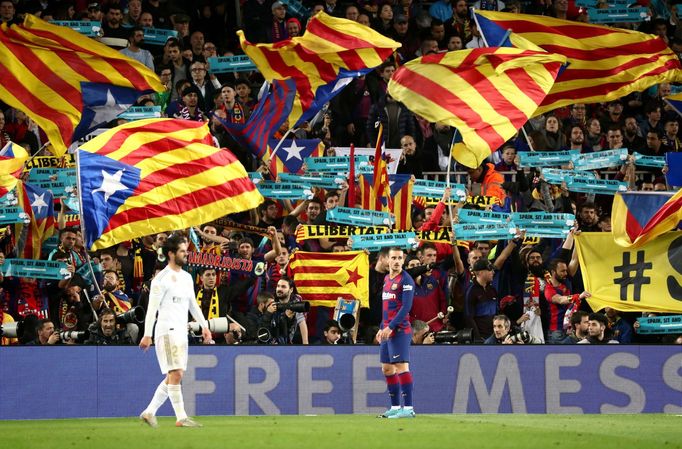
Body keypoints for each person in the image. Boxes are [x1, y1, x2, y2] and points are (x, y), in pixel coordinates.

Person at [138, 234, 213, 428]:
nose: (186, 254)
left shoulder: (187, 277)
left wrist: (204, 325)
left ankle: (149, 412)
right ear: (171, 254)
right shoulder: (160, 280)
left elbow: (192, 305)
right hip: (166, 330)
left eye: (185, 250)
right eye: (182, 251)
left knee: (173, 375)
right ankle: (181, 417)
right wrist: (147, 334)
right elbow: (151, 310)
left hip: (181, 331)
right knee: (176, 373)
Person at [377, 247, 416, 419]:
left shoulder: (406, 280)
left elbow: (405, 308)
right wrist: (381, 327)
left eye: (400, 258)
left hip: (399, 330)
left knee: (401, 367)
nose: (397, 261)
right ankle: (394, 407)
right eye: (394, 258)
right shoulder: (386, 279)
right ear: (387, 260)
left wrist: (391, 327)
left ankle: (408, 409)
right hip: (386, 329)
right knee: (386, 368)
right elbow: (386, 308)